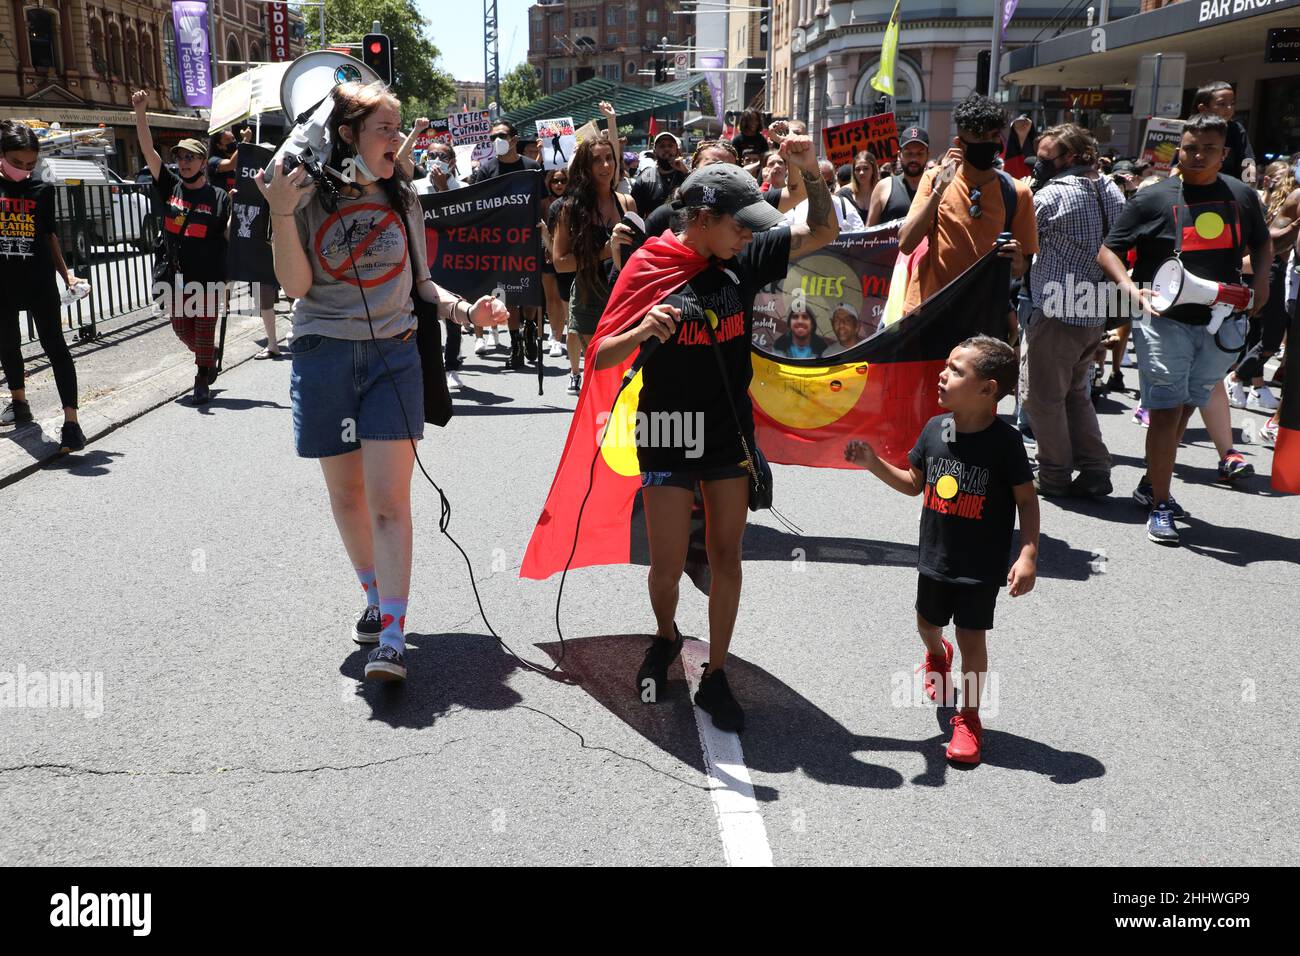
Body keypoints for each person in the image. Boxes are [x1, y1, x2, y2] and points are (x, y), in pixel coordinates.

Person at [254, 80, 506, 682]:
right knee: (349, 497)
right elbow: (293, 288)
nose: (401, 139)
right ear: (347, 136)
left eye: (397, 128)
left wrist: (466, 312)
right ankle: (372, 593)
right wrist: (282, 214)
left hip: (394, 358)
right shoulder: (301, 195)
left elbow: (422, 284)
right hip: (323, 356)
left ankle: (392, 633)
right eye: (385, 130)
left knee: (391, 502)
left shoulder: (403, 197)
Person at [593, 139, 839, 732]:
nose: (748, 236)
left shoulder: (745, 258)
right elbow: (599, 357)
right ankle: (665, 635)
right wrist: (642, 332)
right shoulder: (649, 267)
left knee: (728, 555)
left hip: (729, 432)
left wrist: (809, 170)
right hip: (666, 430)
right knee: (667, 563)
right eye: (738, 225)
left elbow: (825, 231)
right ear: (701, 219)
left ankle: (718, 673)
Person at [845, 335, 1038, 765]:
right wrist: (874, 463)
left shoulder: (1005, 443)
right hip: (934, 557)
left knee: (973, 640)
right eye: (946, 365)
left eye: (955, 369)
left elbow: (1027, 501)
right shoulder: (935, 429)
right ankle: (936, 654)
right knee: (926, 622)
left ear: (988, 389)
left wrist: (1027, 554)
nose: (942, 373)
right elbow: (914, 484)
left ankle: (968, 717)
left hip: (980, 567)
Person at [1097, 112, 1271, 546]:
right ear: (1180, 148)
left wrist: (1263, 281)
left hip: (1219, 323)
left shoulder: (1241, 195)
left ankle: (1149, 486)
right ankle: (1161, 504)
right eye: (1190, 147)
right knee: (1167, 409)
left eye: (1208, 149)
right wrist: (1130, 290)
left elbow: (1263, 242)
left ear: (1224, 153)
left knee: (1190, 401)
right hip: (1163, 322)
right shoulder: (1154, 197)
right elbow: (1109, 249)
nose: (1196, 156)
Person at [1025, 123, 1125, 498]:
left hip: (1057, 310)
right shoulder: (1112, 191)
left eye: (1046, 156)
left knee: (1044, 397)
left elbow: (1022, 241)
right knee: (1075, 393)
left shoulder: (1052, 196)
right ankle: (1095, 467)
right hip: (1094, 309)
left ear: (1069, 157)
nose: (1039, 162)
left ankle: (1053, 473)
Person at [133, 90, 231, 404]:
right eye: (180, 157)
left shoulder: (219, 197)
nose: (184, 162)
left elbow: (229, 235)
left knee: (203, 327)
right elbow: (148, 149)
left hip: (208, 274)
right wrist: (140, 112)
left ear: (203, 161)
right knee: (182, 329)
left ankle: (202, 376)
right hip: (175, 274)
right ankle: (210, 354)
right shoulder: (169, 186)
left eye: (190, 157)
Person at [899, 95, 1037, 316]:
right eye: (979, 138)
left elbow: (1019, 269)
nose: (988, 144)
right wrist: (939, 190)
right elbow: (906, 243)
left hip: (983, 316)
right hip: (930, 313)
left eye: (993, 136)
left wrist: (1018, 260)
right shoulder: (934, 179)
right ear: (959, 144)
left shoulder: (1018, 193)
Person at [0, 120, 85, 451]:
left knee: (56, 347)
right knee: (7, 343)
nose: (23, 170)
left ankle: (72, 423)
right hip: (2, 285)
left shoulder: (41, 189)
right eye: (16, 162)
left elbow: (49, 236)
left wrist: (67, 275)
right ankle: (19, 401)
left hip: (37, 281)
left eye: (30, 164)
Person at [552, 136, 635, 395]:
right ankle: (599, 430)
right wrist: (605, 251)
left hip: (623, 297)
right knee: (601, 374)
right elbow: (560, 263)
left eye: (609, 158)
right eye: (597, 160)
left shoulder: (626, 203)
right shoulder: (571, 208)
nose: (605, 165)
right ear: (585, 167)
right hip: (589, 298)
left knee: (626, 376)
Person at [469, 120, 541, 369]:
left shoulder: (531, 167)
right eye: (492, 137)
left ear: (514, 138)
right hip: (500, 242)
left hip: (528, 239)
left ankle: (530, 326)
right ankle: (516, 344)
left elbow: (541, 203)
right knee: (509, 291)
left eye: (501, 135)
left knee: (529, 291)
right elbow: (476, 204)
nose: (496, 140)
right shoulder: (486, 169)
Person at [1228, 158, 1294, 411]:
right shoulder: (1258, 201)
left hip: (1269, 270)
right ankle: (1237, 378)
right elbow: (1268, 242)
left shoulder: (1281, 205)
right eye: (1275, 178)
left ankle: (1255, 386)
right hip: (1263, 270)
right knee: (1265, 334)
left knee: (1259, 333)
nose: (1275, 183)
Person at [1189, 81, 1256, 185]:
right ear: (1203, 108)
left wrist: (1249, 187)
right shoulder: (1190, 130)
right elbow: (1176, 164)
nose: (1229, 108)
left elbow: (1247, 162)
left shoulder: (1236, 129)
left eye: (1232, 103)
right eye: (1222, 104)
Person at [538, 167, 571, 360]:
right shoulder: (543, 202)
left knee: (564, 298)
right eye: (555, 181)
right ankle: (554, 336)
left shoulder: (575, 202)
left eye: (563, 181)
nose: (559, 184)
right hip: (546, 250)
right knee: (551, 298)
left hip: (567, 252)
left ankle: (562, 336)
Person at [869, 127, 930, 226]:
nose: (914, 158)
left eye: (920, 153)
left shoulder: (937, 188)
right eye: (908, 153)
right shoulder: (883, 187)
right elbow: (868, 234)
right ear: (899, 155)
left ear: (928, 155)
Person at [632, 131, 689, 218]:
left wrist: (686, 172)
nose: (666, 149)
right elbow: (636, 215)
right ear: (654, 151)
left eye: (670, 146)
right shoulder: (644, 179)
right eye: (662, 146)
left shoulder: (686, 174)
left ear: (677, 150)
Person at [839, 150, 877, 223]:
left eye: (866, 168)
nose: (861, 172)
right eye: (857, 169)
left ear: (873, 170)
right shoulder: (843, 195)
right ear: (853, 172)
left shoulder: (882, 191)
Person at [1002, 115, 1036, 180]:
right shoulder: (1009, 148)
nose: (1023, 125)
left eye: (1026, 123)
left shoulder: (1036, 146)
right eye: (1019, 123)